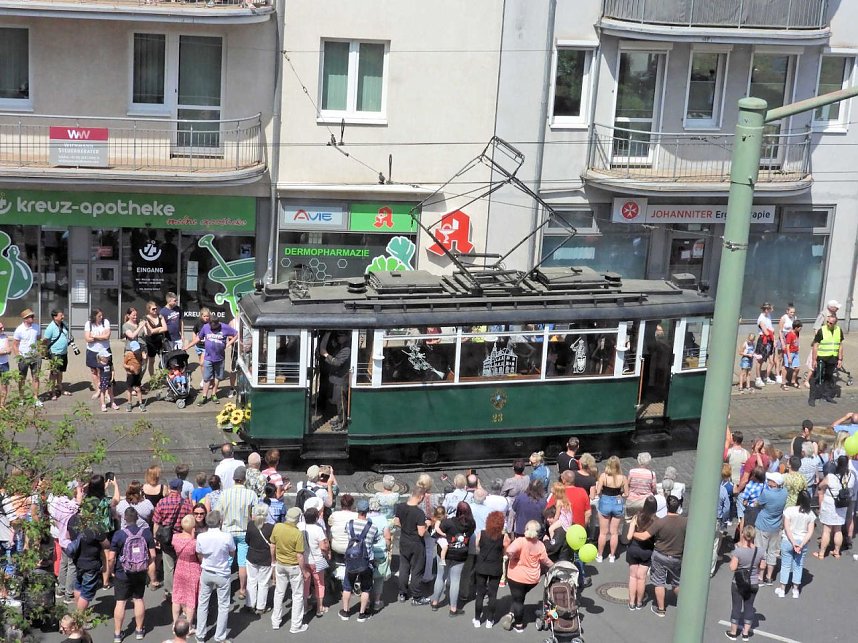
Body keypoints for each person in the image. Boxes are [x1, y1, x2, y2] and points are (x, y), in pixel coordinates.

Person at [632, 495, 687, 617]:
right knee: (677, 582)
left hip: (660, 556)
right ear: (678, 507)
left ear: (667, 506)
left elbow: (644, 536)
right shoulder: (685, 522)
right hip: (677, 557)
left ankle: (661, 609)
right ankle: (684, 603)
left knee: (659, 582)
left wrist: (632, 533)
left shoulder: (660, 522)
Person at [107, 507, 156, 643]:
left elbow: (111, 557)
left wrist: (111, 571)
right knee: (138, 599)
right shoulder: (146, 533)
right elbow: (152, 555)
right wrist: (152, 577)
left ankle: (117, 633)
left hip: (122, 572)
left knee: (120, 602)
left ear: (124, 519)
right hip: (140, 571)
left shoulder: (119, 534)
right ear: (137, 518)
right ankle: (139, 631)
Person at [498, 520, 553, 633]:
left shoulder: (520, 541)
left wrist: (513, 557)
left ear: (526, 529)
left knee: (518, 600)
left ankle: (518, 624)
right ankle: (511, 613)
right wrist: (554, 565)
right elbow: (545, 561)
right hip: (532, 579)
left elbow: (509, 551)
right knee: (520, 596)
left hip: (516, 576)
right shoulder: (540, 545)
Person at [215, 465, 258, 601]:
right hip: (244, 531)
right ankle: (243, 589)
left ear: (234, 479)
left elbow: (217, 513)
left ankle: (224, 588)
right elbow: (256, 515)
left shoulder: (224, 493)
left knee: (226, 562)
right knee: (242, 562)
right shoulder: (251, 494)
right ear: (244, 479)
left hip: (227, 532)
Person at [195, 510, 235, 643]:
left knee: (203, 603)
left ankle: (200, 635)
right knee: (223, 605)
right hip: (222, 573)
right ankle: (220, 637)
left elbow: (199, 553)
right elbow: (232, 552)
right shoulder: (226, 536)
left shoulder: (201, 537)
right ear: (220, 522)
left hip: (206, 572)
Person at [430, 501, 475, 616]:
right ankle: (453, 609)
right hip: (460, 555)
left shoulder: (448, 522)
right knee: (455, 580)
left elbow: (436, 534)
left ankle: (435, 602)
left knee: (440, 577)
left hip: (444, 553)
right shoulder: (471, 524)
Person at [339, 499, 381, 622]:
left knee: (347, 586)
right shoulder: (372, 527)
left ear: (357, 510)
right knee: (366, 588)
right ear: (367, 511)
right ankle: (362, 614)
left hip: (351, 559)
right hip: (366, 561)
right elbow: (375, 540)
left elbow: (347, 534)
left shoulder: (350, 524)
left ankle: (345, 611)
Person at [270, 506, 310, 633]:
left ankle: (275, 621)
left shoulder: (278, 527)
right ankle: (295, 625)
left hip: (280, 564)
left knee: (279, 592)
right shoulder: (297, 533)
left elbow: (273, 545)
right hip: (293, 567)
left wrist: (273, 560)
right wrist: (304, 572)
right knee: (297, 595)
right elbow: (299, 555)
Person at [153, 479, 193, 599]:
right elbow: (191, 522)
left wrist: (156, 538)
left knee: (169, 567)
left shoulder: (162, 502)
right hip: (182, 538)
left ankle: (170, 591)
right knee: (183, 565)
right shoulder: (186, 504)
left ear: (170, 488)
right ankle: (184, 588)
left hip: (167, 539)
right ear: (180, 489)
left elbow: (156, 523)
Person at [725, 525, 766, 641]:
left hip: (738, 583)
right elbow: (762, 566)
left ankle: (733, 632)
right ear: (754, 536)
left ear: (743, 535)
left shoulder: (738, 551)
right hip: (753, 582)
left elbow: (732, 568)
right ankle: (746, 633)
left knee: (736, 607)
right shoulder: (760, 551)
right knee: (749, 606)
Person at [67, 505, 110, 611]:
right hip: (91, 563)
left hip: (77, 560)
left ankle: (79, 608)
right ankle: (80, 616)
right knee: (86, 592)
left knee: (78, 585)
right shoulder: (95, 526)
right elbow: (106, 544)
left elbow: (68, 536)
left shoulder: (72, 520)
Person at [185, 318, 237, 405]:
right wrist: (188, 346)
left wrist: (229, 343)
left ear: (218, 324)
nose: (212, 329)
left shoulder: (224, 327)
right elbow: (198, 338)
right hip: (208, 358)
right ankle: (204, 396)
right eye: (211, 328)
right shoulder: (206, 327)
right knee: (207, 378)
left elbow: (236, 334)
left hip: (220, 359)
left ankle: (214, 394)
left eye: (214, 328)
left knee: (217, 377)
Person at [776, 490, 816, 599]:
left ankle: (782, 589)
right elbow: (810, 532)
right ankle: (795, 590)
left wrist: (793, 542)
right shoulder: (810, 514)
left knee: (785, 565)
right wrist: (801, 544)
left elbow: (787, 527)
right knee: (798, 565)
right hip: (802, 542)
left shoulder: (789, 510)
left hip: (788, 541)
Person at [393, 484, 429, 605]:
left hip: (404, 541)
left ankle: (402, 593)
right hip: (416, 544)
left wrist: (406, 527)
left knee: (404, 567)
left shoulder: (401, 507)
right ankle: (416, 596)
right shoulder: (419, 513)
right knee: (417, 570)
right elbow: (421, 532)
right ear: (420, 497)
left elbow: (396, 522)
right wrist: (427, 524)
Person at [815, 455, 855, 558]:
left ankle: (821, 553)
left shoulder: (831, 477)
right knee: (838, 529)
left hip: (830, 504)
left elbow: (821, 486)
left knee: (827, 530)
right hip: (843, 504)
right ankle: (837, 551)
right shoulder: (851, 476)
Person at [473, 510, 506, 629]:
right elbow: (505, 552)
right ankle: (490, 620)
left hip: (482, 566)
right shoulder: (504, 537)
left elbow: (477, 547)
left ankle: (477, 619)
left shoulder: (481, 534)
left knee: (480, 594)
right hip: (496, 567)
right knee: (493, 594)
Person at [754, 472, 787, 585]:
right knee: (772, 552)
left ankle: (760, 577)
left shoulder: (766, 493)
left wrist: (754, 503)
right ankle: (769, 577)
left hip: (763, 525)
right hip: (776, 526)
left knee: (762, 551)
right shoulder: (784, 492)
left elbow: (758, 503)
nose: (767, 481)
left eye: (770, 480)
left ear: (774, 483)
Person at [626, 495, 657, 611]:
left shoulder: (636, 517)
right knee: (642, 578)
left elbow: (629, 536)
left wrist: (634, 534)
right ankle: (639, 602)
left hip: (633, 549)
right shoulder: (656, 520)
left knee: (633, 577)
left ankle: (631, 603)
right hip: (647, 551)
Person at [595, 455, 628, 563]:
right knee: (614, 532)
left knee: (603, 532)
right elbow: (626, 493)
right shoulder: (623, 478)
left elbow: (598, 491)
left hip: (605, 502)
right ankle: (612, 556)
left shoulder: (603, 476)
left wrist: (602, 497)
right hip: (617, 503)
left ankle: (600, 556)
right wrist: (621, 495)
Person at [171, 514, 201, 634]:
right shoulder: (194, 542)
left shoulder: (175, 537)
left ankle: (175, 624)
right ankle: (188, 626)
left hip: (179, 567)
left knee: (177, 596)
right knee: (190, 598)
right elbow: (199, 556)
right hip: (192, 568)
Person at [809, 313, 844, 406]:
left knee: (829, 377)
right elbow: (815, 345)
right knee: (817, 377)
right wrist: (813, 359)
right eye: (827, 322)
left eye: (831, 323)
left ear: (835, 323)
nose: (828, 324)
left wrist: (840, 359)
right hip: (822, 357)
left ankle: (827, 395)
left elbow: (840, 345)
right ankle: (812, 397)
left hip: (832, 358)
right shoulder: (822, 330)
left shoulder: (839, 330)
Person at [319, 329, 351, 429]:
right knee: (338, 402)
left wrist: (325, 354)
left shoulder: (347, 349)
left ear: (346, 337)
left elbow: (337, 362)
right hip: (337, 379)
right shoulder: (340, 346)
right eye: (338, 336)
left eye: (340, 336)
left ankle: (343, 424)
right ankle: (340, 419)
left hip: (341, 380)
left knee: (341, 403)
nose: (338, 338)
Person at [244, 504, 274, 614]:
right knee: (263, 583)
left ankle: (249, 604)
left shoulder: (251, 525)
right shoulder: (271, 527)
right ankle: (261, 607)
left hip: (252, 555)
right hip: (265, 558)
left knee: (251, 580)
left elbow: (247, 540)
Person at [365, 498, 392, 613]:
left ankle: (366, 602)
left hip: (367, 551)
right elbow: (387, 537)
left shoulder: (366, 518)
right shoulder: (383, 519)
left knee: (366, 578)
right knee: (379, 578)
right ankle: (376, 601)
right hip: (380, 551)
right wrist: (388, 547)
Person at [303, 506, 330, 617]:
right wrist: (327, 552)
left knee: (305, 583)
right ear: (315, 518)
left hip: (304, 559)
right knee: (320, 583)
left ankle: (305, 606)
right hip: (317, 559)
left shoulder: (301, 527)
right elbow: (323, 547)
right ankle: (320, 607)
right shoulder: (318, 529)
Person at [12, 308, 42, 405]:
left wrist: (40, 352)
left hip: (35, 356)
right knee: (22, 378)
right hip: (24, 357)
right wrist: (18, 357)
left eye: (33, 316)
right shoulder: (19, 330)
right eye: (30, 317)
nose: (33, 318)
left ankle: (35, 398)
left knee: (36, 377)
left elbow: (38, 339)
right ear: (25, 319)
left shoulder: (36, 327)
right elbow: (15, 345)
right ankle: (21, 398)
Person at [43, 308, 72, 400]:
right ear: (55, 317)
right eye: (61, 315)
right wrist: (45, 353)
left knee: (61, 372)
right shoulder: (50, 327)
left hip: (63, 353)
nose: (63, 316)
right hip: (55, 354)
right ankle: (52, 392)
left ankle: (60, 389)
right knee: (54, 373)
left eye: (63, 315)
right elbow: (45, 341)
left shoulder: (63, 324)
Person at [122, 307, 147, 412]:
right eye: (133, 315)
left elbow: (146, 334)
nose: (135, 317)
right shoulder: (126, 325)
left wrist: (145, 326)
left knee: (141, 371)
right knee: (131, 375)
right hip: (130, 352)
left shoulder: (138, 324)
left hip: (140, 351)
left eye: (136, 315)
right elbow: (132, 336)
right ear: (128, 315)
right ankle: (129, 401)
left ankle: (140, 399)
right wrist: (140, 327)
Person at [84, 307, 112, 397]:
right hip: (92, 351)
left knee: (105, 371)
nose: (101, 317)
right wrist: (101, 337)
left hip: (104, 350)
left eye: (102, 315)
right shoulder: (88, 324)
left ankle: (106, 391)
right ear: (94, 316)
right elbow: (87, 338)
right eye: (99, 316)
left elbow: (107, 336)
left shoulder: (106, 322)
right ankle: (98, 390)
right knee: (94, 371)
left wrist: (95, 337)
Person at [626, 452, 657, 518]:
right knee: (645, 522)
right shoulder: (652, 474)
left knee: (629, 521)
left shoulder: (632, 472)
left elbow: (627, 485)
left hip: (632, 501)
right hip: (645, 502)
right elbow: (654, 489)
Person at [142, 301, 168, 380]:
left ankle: (166, 377)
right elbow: (148, 333)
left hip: (161, 342)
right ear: (149, 310)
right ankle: (153, 379)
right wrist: (160, 328)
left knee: (165, 360)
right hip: (150, 343)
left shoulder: (160, 317)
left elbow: (165, 328)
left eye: (156, 308)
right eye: (153, 309)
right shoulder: (145, 318)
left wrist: (154, 330)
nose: (155, 310)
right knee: (151, 361)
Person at [755, 302, 775, 387]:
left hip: (770, 340)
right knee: (760, 360)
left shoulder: (768, 316)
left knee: (771, 361)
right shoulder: (761, 319)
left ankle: (766, 377)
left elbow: (770, 329)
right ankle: (758, 379)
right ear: (766, 309)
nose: (771, 310)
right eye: (769, 309)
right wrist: (771, 334)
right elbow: (766, 332)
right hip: (763, 340)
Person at [782, 319, 802, 389]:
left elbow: (797, 340)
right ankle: (783, 383)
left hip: (795, 352)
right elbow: (787, 346)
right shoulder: (790, 335)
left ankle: (793, 381)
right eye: (800, 328)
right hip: (789, 352)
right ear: (796, 327)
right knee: (786, 367)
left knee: (797, 368)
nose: (800, 329)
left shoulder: (797, 333)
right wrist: (789, 357)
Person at [0, 321, 10, 407]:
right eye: (0, 328)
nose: (2, 329)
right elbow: (6, 350)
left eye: (3, 327)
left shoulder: (4, 337)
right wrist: (5, 351)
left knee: (4, 385)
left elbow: (8, 349)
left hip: (4, 364)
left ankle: (2, 405)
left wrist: (5, 351)